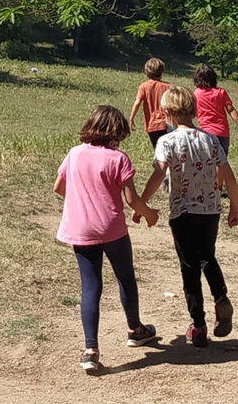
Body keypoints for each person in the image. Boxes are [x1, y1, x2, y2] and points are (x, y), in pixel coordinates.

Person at [55, 104, 161, 375]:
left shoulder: (74, 153)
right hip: (112, 229)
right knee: (125, 278)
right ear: (115, 134)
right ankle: (135, 329)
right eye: (119, 137)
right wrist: (149, 213)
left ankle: (90, 350)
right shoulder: (118, 159)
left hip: (81, 229)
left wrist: (81, 201)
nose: (119, 143)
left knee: (90, 287)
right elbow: (132, 200)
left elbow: (59, 187)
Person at [140, 84, 238, 346]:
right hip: (210, 211)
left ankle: (198, 325)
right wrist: (235, 207)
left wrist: (141, 202)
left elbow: (159, 174)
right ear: (193, 111)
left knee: (189, 267)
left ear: (167, 113)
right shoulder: (210, 139)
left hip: (182, 212)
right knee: (207, 255)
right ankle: (221, 297)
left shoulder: (167, 141)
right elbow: (229, 176)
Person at [192, 65, 238, 154]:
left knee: (206, 160)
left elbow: (194, 113)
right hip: (222, 133)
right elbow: (231, 110)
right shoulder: (220, 92)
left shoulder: (195, 94)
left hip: (205, 133)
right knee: (222, 160)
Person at [130, 58, 171, 149]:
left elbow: (137, 102)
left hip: (151, 124)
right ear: (162, 71)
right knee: (169, 150)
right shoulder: (168, 87)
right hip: (166, 124)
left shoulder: (143, 86)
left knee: (157, 149)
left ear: (147, 71)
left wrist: (131, 118)